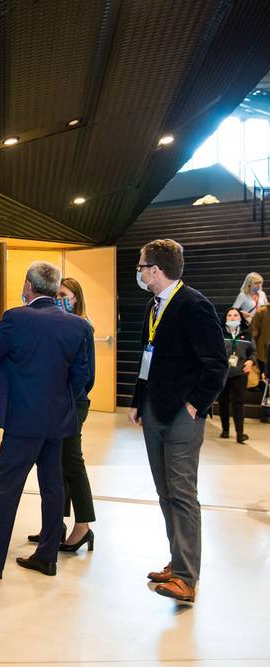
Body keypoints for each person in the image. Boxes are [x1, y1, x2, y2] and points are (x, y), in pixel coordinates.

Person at [0, 262, 90, 580]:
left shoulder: (15, 318)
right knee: (53, 488)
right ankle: (47, 556)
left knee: (7, 489)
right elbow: (82, 376)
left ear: (28, 285)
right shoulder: (76, 326)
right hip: (57, 420)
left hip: (22, 420)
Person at [129, 239, 228, 603]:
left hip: (182, 415)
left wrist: (194, 406)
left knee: (183, 494)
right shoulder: (153, 306)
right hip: (154, 408)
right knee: (165, 491)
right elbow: (147, 357)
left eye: (141, 267)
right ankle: (178, 560)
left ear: (155, 270)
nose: (139, 272)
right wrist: (137, 400)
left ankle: (187, 577)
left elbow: (217, 364)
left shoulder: (194, 305)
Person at [27, 277, 97, 552]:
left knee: (72, 462)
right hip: (55, 403)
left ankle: (84, 526)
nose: (59, 300)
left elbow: (87, 377)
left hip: (73, 404)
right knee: (55, 464)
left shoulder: (83, 326)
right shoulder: (55, 323)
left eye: (65, 295)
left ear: (76, 298)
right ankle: (55, 525)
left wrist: (68, 396)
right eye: (56, 295)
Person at [218, 307, 255, 444]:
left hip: (240, 372)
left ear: (240, 318)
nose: (232, 317)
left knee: (238, 402)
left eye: (235, 315)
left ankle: (240, 433)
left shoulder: (247, 334)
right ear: (225, 318)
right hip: (223, 373)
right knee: (223, 401)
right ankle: (225, 429)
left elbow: (253, 352)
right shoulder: (219, 333)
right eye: (229, 315)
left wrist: (251, 361)